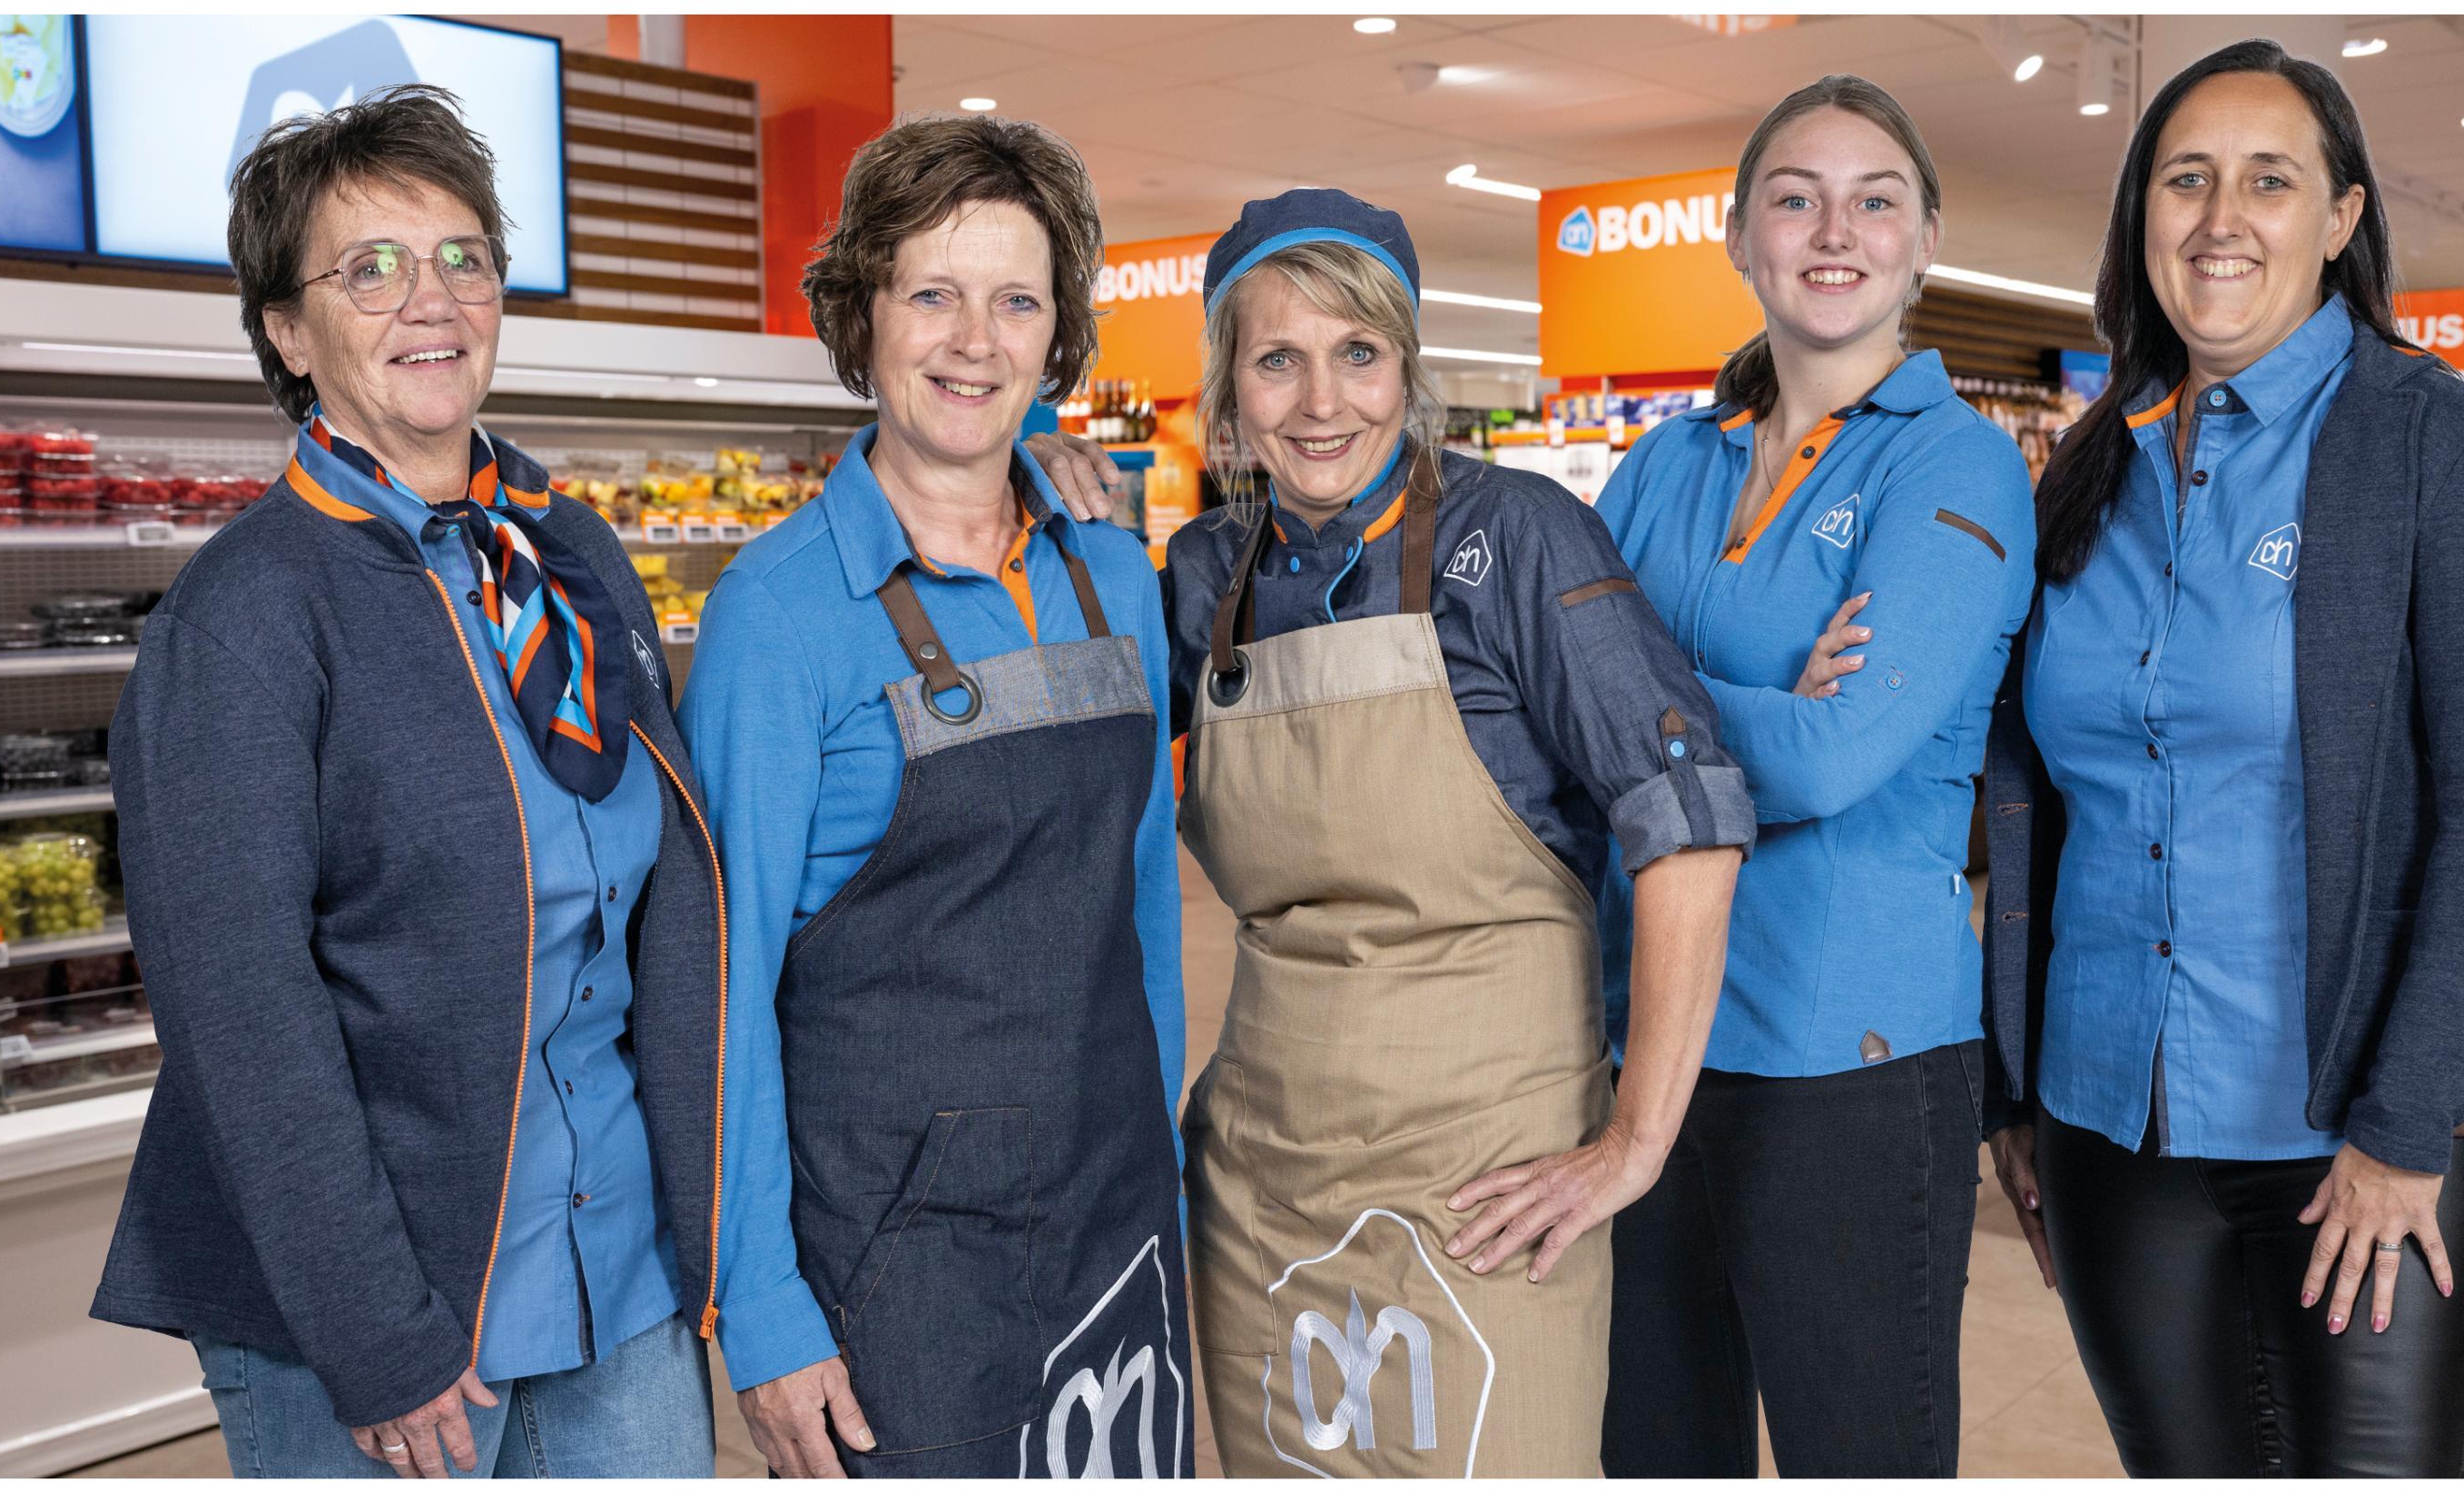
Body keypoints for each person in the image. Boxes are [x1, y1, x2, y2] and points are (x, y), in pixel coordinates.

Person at [1046, 188, 1750, 1477]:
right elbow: (1082, 793)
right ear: (1227, 386)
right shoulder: (1207, 571)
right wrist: (1071, 548)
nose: (1323, 402)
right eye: (1279, 359)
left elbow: (1690, 820)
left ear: (1407, 366)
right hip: (1266, 1176)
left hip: (1488, 1182)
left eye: (1358, 354)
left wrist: (1634, 1146)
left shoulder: (1521, 538)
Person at [92, 86, 725, 1478]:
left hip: (614, 1270)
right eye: (367, 269)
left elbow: (653, 905)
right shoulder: (248, 618)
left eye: (462, 257)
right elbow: (243, 1020)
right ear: (283, 328)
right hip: (383, 1309)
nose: (428, 298)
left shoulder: (568, 558)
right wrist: (376, 1331)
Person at [1976, 39, 2464, 1476]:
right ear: (2142, 220)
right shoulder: (2091, 469)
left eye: (2269, 179)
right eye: (2185, 179)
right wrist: (2014, 1085)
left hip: (2363, 1127)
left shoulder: (2441, 448)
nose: (2220, 216)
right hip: (2113, 1116)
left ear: (2343, 219)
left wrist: (2405, 1121)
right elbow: (2033, 795)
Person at [677, 113, 1191, 1478]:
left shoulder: (1112, 578)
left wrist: (1172, 1198)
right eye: (934, 295)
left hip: (1116, 1205)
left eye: (1016, 300)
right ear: (865, 315)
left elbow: (1142, 912)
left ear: (1057, 335)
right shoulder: (777, 616)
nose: (976, 340)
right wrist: (763, 1310)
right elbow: (719, 995)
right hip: (898, 1253)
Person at [1583, 75, 2037, 1478]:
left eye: (1874, 199)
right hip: (1643, 1042)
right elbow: (1546, 706)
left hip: (1846, 1066)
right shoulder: (1665, 463)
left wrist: (1635, 689)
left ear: (1924, 238)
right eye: (1795, 197)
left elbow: (1837, 759)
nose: (1833, 229)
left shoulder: (1956, 466)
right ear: (1740, 238)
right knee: (1657, 1453)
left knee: (1862, 1453)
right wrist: (1751, 704)